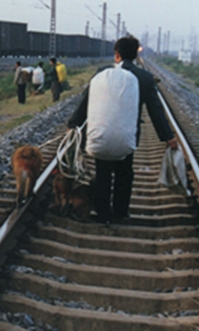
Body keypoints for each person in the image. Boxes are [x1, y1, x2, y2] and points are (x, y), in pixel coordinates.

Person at [67, 36, 179, 224]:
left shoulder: (102, 73)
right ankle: (120, 212)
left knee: (102, 173)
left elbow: (87, 100)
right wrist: (168, 136)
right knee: (125, 173)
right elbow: (155, 109)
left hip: (101, 132)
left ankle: (103, 213)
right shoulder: (144, 77)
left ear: (116, 55)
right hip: (128, 135)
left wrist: (73, 124)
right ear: (135, 55)